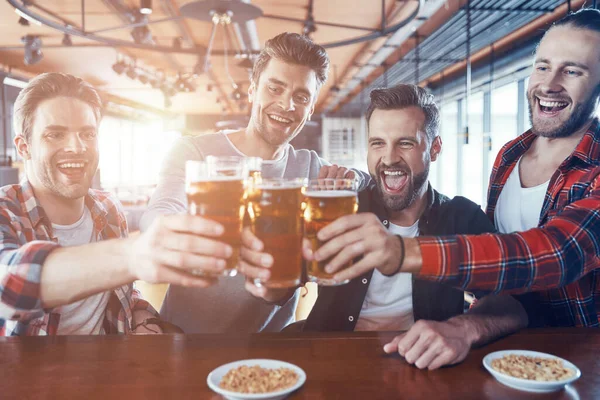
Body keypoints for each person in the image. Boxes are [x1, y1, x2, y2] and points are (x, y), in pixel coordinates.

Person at [303, 8, 600, 329]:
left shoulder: (461, 217)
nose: (550, 83)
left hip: (578, 350)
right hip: (514, 351)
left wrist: (403, 253)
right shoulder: (508, 157)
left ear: (434, 149)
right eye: (543, 66)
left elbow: (557, 254)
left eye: (572, 71)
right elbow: (498, 276)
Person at [256, 84, 527, 370]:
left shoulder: (461, 217)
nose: (388, 158)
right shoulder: (340, 208)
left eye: (405, 143)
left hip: (421, 369)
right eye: (378, 143)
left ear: (434, 148)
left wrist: (464, 328)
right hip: (329, 363)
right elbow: (274, 293)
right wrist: (287, 237)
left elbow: (513, 304)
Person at [140, 32, 369, 334]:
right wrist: (174, 231)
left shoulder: (310, 167)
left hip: (270, 350)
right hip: (185, 340)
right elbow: (161, 209)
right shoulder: (193, 152)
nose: (287, 104)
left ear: (311, 107)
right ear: (252, 90)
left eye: (301, 97)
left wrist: (353, 177)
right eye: (275, 88)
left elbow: (369, 182)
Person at [0, 73, 232, 335]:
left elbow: (126, 294)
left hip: (109, 370)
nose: (76, 147)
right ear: (23, 147)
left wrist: (145, 318)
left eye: (87, 134)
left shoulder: (107, 208)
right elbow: (7, 285)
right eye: (55, 135)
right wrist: (132, 255)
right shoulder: (6, 210)